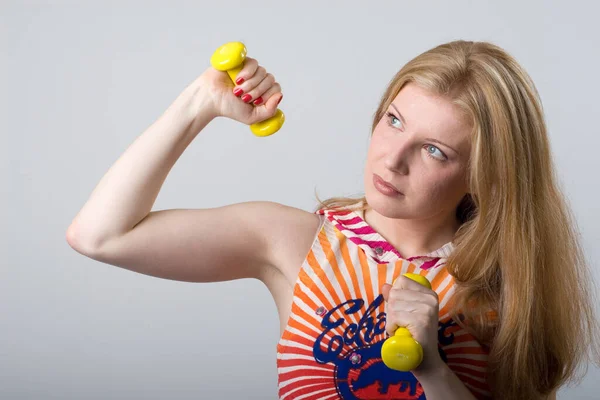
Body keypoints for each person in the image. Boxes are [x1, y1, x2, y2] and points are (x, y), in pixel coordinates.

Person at [66, 40, 599, 399]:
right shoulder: (293, 242)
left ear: (484, 173)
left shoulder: (510, 281)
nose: (392, 159)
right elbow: (100, 236)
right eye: (393, 121)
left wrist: (433, 368)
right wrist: (201, 103)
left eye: (435, 150)